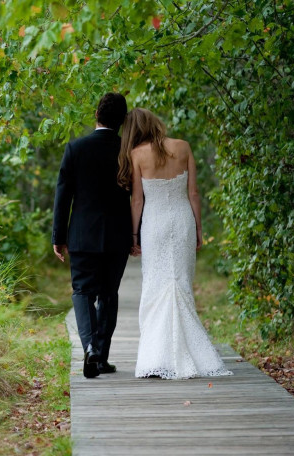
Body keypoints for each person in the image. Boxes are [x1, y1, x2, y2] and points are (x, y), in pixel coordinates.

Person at [117, 108, 231, 379]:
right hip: (182, 222)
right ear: (155, 123)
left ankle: (156, 357)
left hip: (154, 226)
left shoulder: (136, 154)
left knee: (156, 286)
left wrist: (133, 237)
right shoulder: (183, 147)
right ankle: (187, 352)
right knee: (180, 284)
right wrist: (199, 228)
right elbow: (193, 193)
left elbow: (137, 201)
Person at [52, 93, 132, 378]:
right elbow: (138, 199)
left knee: (83, 291)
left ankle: (90, 348)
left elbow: (63, 196)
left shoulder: (76, 148)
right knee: (108, 295)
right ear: (123, 120)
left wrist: (57, 237)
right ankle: (100, 356)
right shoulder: (128, 151)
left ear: (96, 113)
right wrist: (135, 235)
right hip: (118, 236)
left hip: (83, 236)